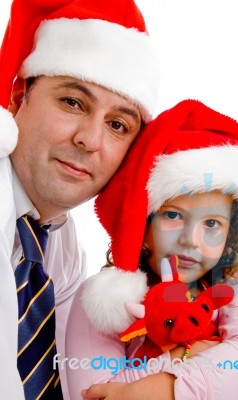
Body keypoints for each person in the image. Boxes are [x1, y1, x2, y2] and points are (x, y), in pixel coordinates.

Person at [0, 0, 159, 399]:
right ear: (19, 98)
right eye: (73, 102)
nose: (89, 140)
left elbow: (79, 377)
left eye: (118, 125)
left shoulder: (60, 247)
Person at [66, 99, 238, 400]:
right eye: (173, 215)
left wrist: (158, 388)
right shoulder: (101, 304)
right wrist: (189, 354)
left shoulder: (230, 293)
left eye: (212, 224)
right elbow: (95, 393)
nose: (191, 240)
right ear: (143, 225)